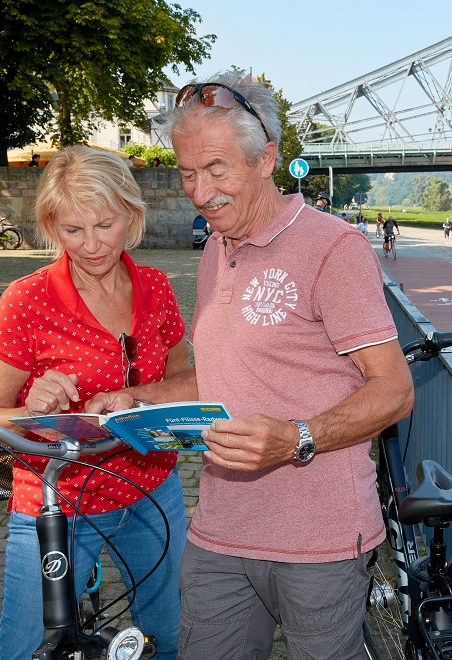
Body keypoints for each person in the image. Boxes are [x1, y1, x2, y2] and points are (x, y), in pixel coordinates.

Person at [86, 71, 415, 658]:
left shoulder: (335, 248)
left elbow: (393, 390)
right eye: (187, 173)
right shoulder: (216, 246)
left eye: (216, 170)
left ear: (266, 159)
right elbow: (223, 373)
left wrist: (296, 438)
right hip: (219, 530)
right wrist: (142, 397)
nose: (199, 191)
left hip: (321, 541)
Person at [0, 146, 188, 659]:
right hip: (56, 503)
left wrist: (136, 395)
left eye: (105, 225)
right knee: (28, 650)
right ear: (51, 227)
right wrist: (31, 410)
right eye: (73, 230)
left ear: (132, 216)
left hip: (152, 486)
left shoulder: (155, 287)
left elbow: (189, 380)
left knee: (171, 638)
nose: (91, 245)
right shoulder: (27, 299)